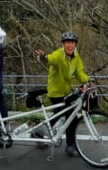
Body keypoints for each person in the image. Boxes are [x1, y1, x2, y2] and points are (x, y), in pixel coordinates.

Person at [35, 30, 90, 158]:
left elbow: (79, 73)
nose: (70, 45)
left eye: (72, 43)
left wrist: (88, 80)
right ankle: (70, 146)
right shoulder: (59, 54)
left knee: (59, 115)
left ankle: (37, 133)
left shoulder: (76, 57)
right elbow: (51, 59)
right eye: (67, 43)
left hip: (66, 91)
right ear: (63, 44)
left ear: (75, 44)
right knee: (70, 117)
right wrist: (44, 58)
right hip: (55, 92)